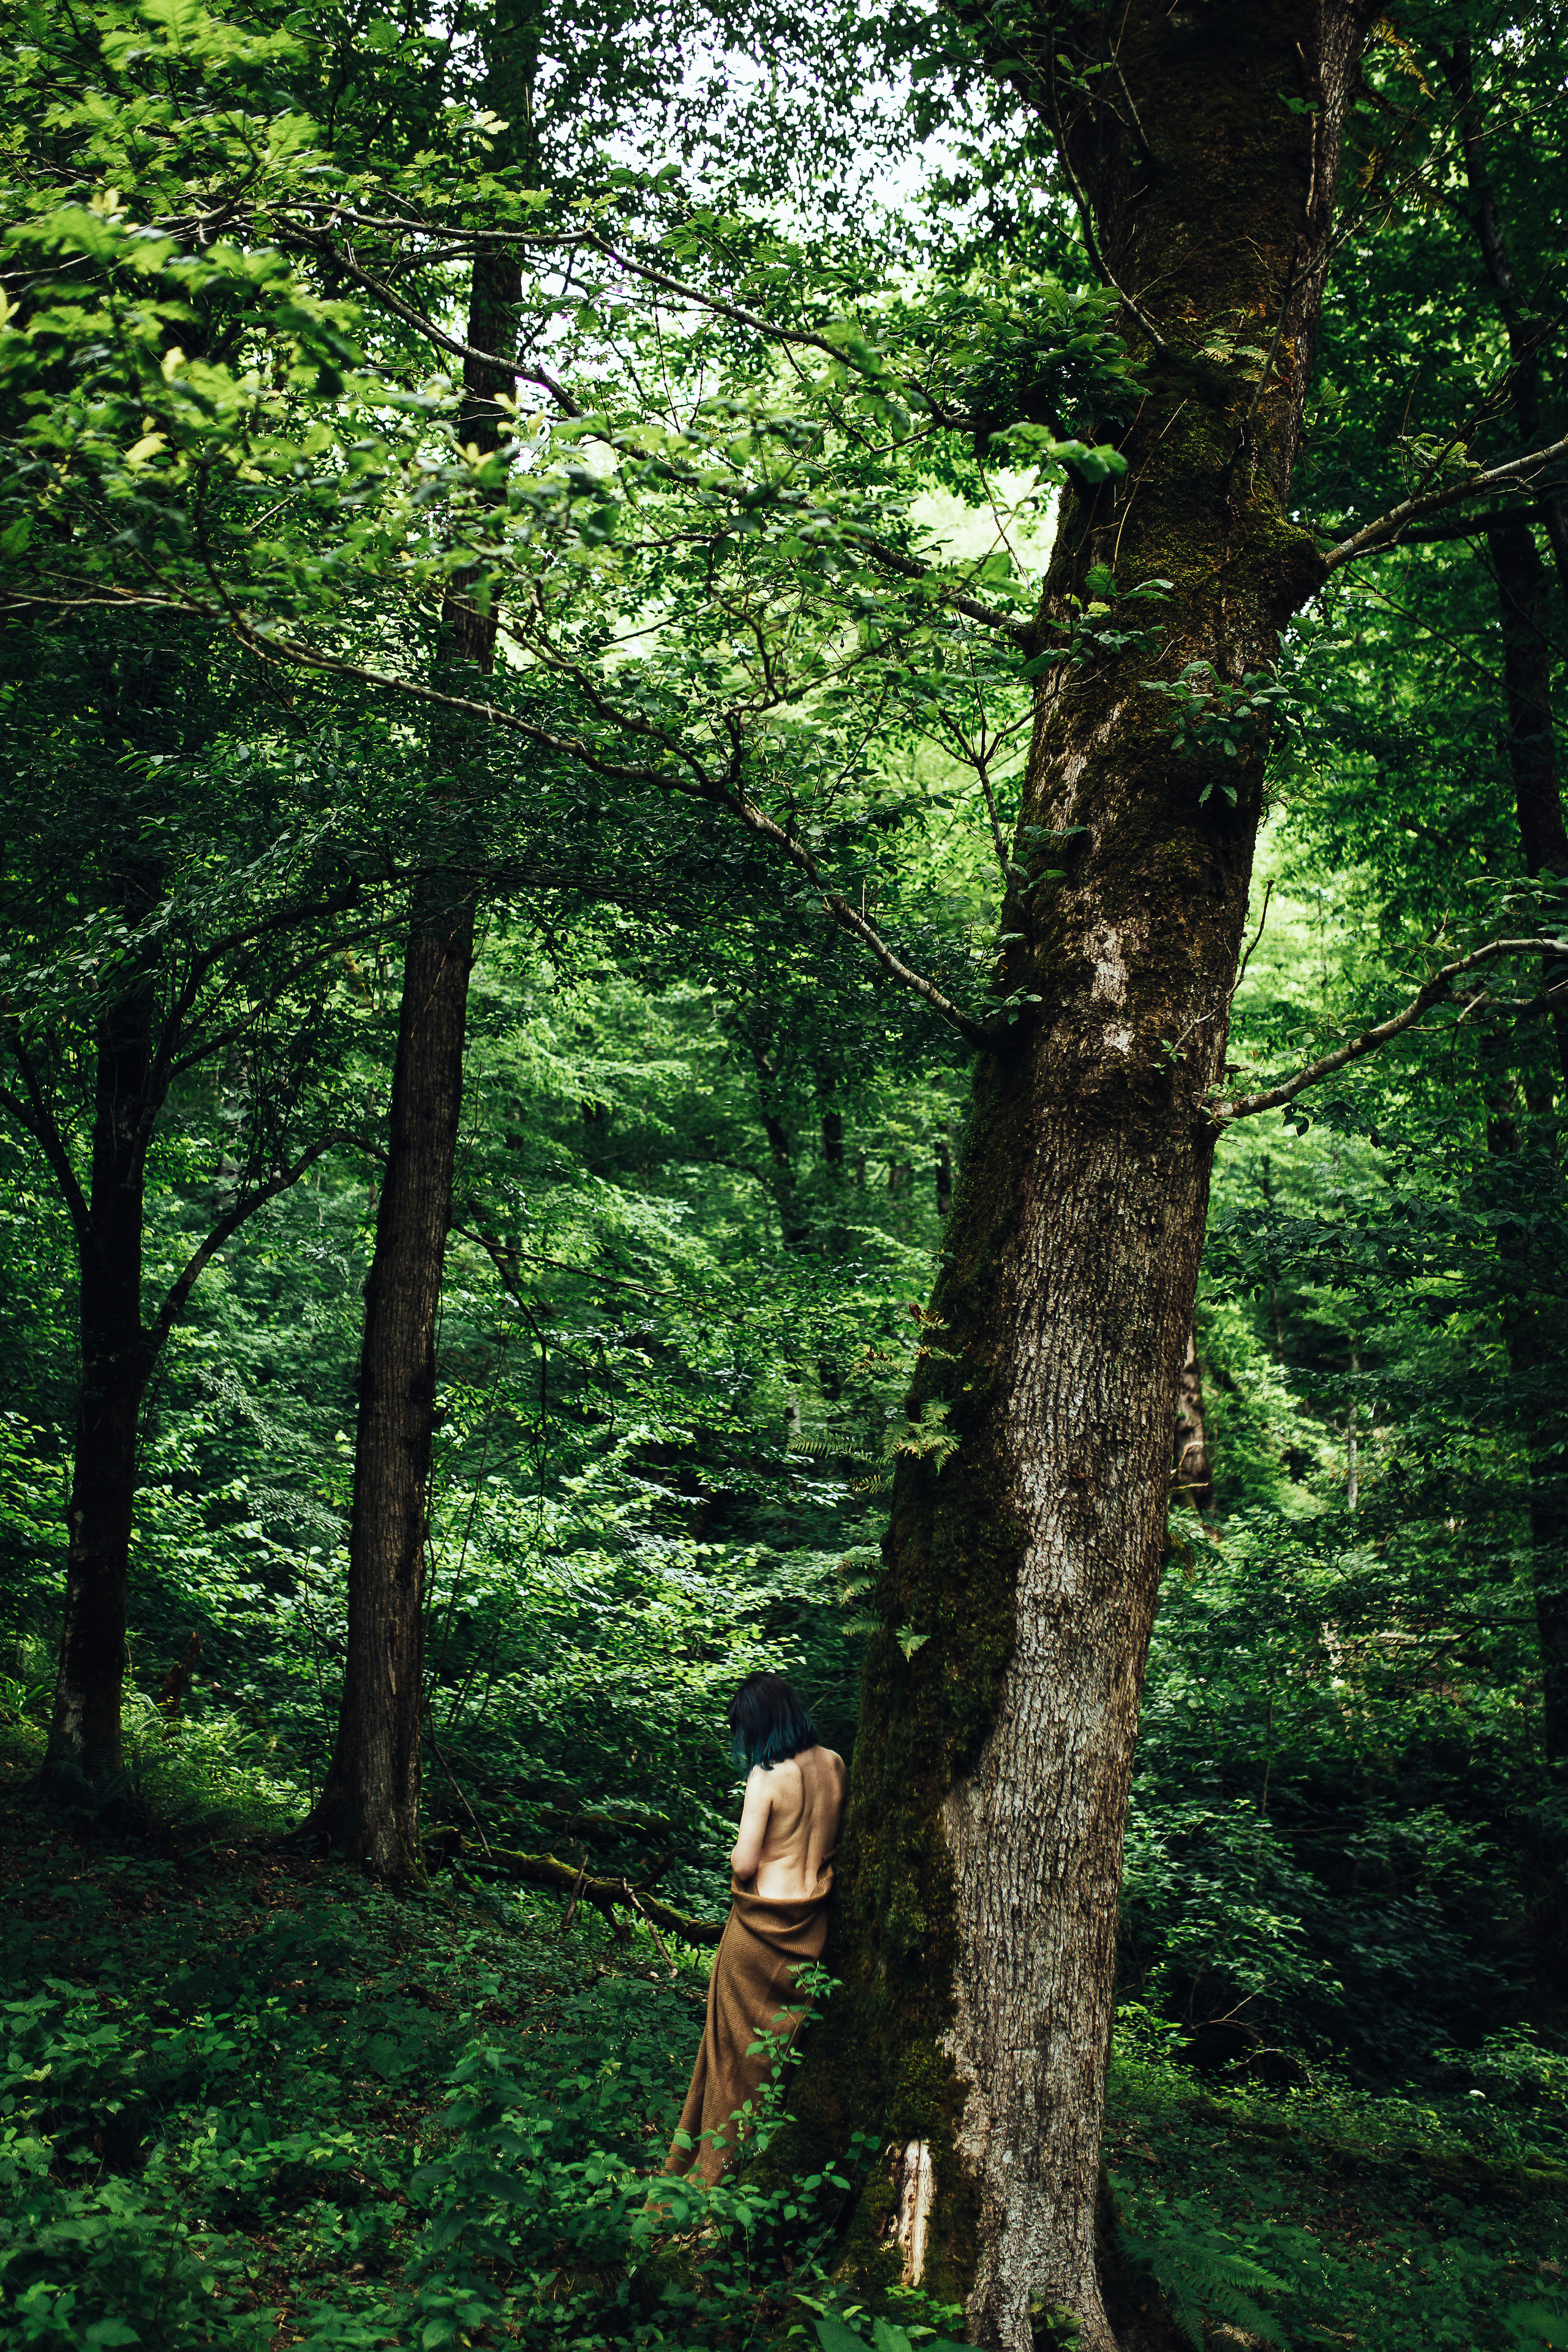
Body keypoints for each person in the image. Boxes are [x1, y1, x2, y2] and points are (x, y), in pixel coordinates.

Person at [662, 1673, 846, 2188]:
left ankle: (714, 2174)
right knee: (778, 2058)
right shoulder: (835, 1764)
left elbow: (744, 1864)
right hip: (812, 1929)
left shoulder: (767, 1777)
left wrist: (738, 1854)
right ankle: (757, 2162)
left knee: (729, 2057)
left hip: (760, 1929)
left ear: (759, 1723)